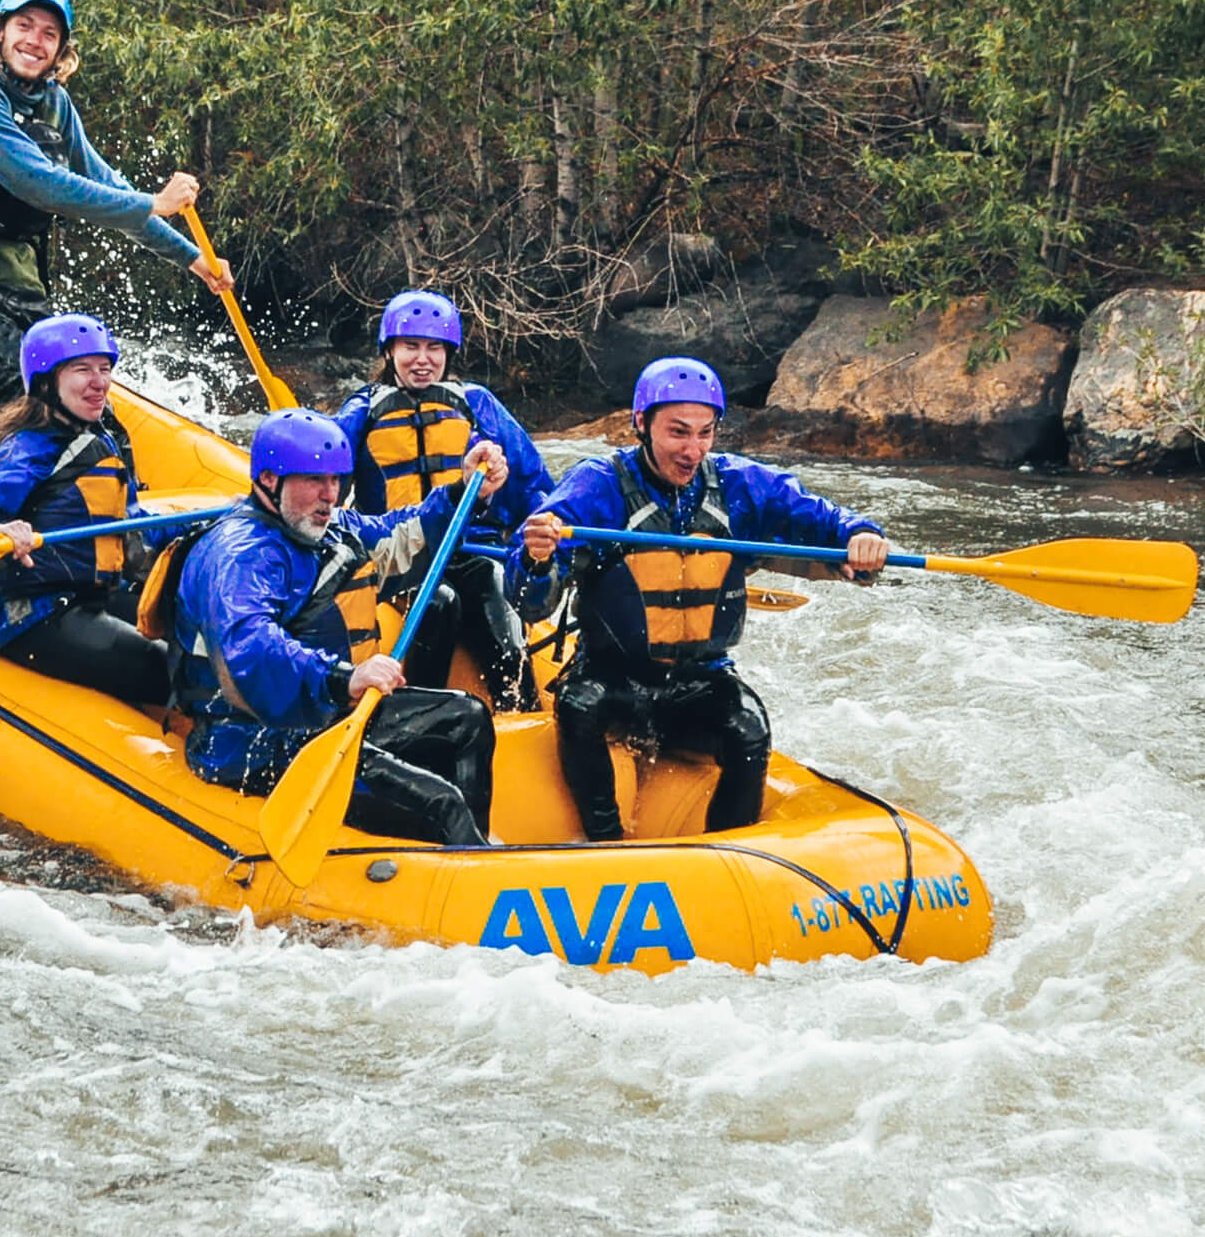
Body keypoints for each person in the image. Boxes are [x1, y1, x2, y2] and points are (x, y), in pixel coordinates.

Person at [510, 357, 889, 842]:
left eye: (706, 433)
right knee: (579, 706)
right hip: (613, 678)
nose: (693, 450)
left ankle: (733, 852)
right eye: (678, 433)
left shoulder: (738, 484)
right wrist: (537, 558)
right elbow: (530, 601)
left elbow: (818, 515)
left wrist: (860, 533)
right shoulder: (598, 484)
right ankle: (603, 840)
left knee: (749, 729)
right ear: (642, 424)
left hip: (698, 680)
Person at [166, 409, 506, 846]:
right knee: (441, 803)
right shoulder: (241, 554)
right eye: (313, 480)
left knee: (468, 718)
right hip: (247, 737)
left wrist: (464, 492)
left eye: (336, 480)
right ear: (269, 480)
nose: (330, 495)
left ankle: (471, 852)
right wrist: (344, 677)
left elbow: (401, 536)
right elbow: (252, 647)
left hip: (323, 715)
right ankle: (460, 860)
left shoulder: (330, 531)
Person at [0, 0, 234, 405]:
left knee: (90, 409)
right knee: (34, 406)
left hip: (19, 289)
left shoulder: (55, 103)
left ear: (60, 50)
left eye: (49, 34)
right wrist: (155, 202)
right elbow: (43, 185)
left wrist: (192, 258)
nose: (34, 41)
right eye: (25, 26)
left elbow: (106, 187)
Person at [329, 289, 551, 710]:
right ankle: (423, 715)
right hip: (403, 550)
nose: (422, 359)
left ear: (449, 352)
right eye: (410, 346)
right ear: (389, 349)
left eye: (434, 348)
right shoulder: (364, 409)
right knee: (439, 603)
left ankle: (520, 707)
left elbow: (532, 479)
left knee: (495, 588)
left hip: (471, 548)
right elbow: (327, 480)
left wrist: (543, 531)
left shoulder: (476, 404)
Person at [0, 313, 171, 709]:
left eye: (104, 369)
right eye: (83, 370)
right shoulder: (28, 449)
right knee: (167, 668)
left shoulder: (101, 439)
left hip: (93, 592)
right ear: (48, 381)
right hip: (34, 617)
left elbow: (126, 526)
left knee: (197, 639)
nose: (99, 382)